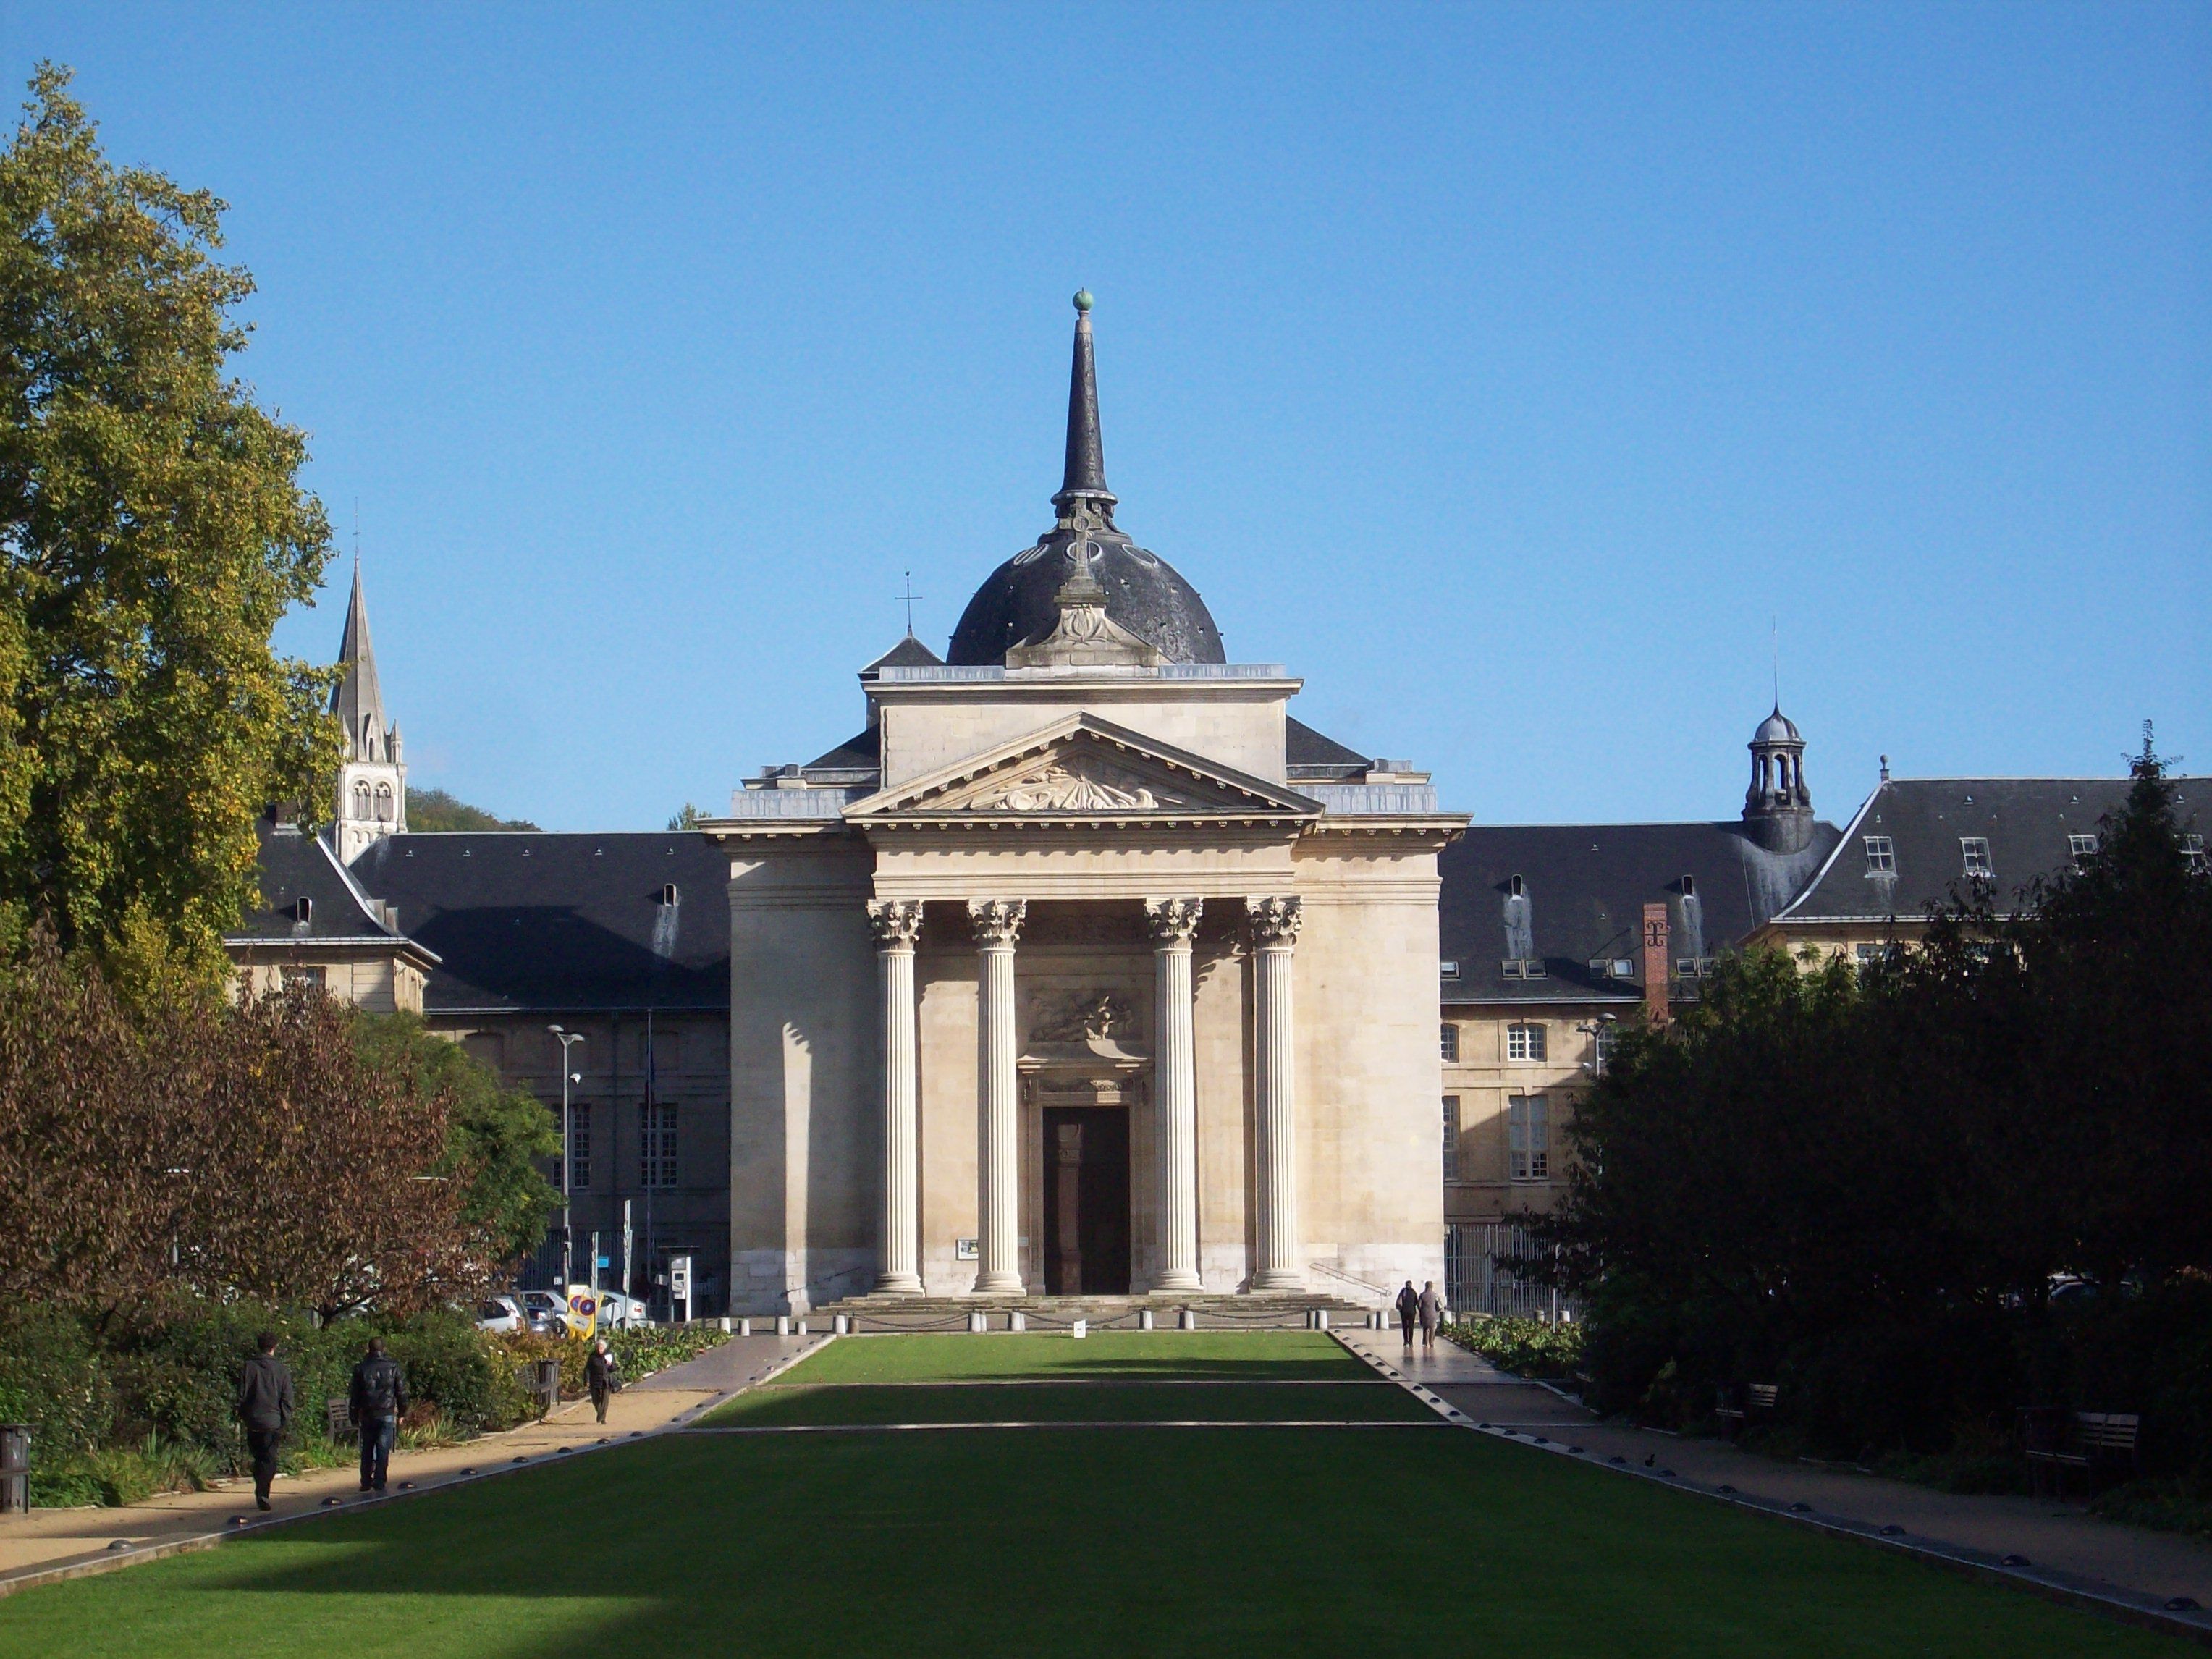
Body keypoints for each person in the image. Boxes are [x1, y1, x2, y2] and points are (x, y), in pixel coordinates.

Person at [235, 1331, 294, 1511]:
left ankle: (261, 1488)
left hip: (253, 1419)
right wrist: (284, 1418)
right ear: (274, 1347)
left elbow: (242, 1394)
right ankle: (262, 1490)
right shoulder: (281, 1370)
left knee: (259, 1456)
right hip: (272, 1420)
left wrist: (242, 1414)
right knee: (269, 1459)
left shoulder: (249, 1367)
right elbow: (287, 1398)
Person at [348, 1336, 408, 1493]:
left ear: (369, 1350)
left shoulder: (361, 1368)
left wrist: (353, 1415)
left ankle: (366, 1480)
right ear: (384, 1349)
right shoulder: (393, 1366)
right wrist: (402, 1412)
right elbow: (401, 1391)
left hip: (368, 1413)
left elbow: (355, 1394)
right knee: (383, 1448)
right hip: (386, 1411)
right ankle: (379, 1480)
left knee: (367, 1447)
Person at [585, 1338, 620, 1424]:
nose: (599, 1350)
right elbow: (587, 1369)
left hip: (606, 1380)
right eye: (598, 1348)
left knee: (605, 1400)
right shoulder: (592, 1356)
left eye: (601, 1348)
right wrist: (587, 1380)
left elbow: (614, 1368)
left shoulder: (609, 1355)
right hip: (595, 1380)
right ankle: (600, 1413)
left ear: (604, 1348)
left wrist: (611, 1365)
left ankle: (602, 1418)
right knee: (595, 1400)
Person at [1395, 1280, 1420, 1349]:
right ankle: (1411, 1342)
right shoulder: (1414, 1292)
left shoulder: (1403, 1291)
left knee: (1405, 1327)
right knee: (1411, 1327)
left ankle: (1406, 1341)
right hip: (1412, 1312)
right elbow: (1416, 1302)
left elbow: (1399, 1301)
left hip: (1404, 1312)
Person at [1418, 1280, 1441, 1348]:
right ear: (1432, 1286)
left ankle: (1425, 1342)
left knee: (1425, 1328)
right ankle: (1431, 1342)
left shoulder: (1422, 1295)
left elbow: (1419, 1306)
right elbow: (1439, 1305)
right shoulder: (1435, 1295)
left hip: (1424, 1314)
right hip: (1433, 1314)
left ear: (1426, 1286)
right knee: (1432, 1328)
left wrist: (1422, 1310)